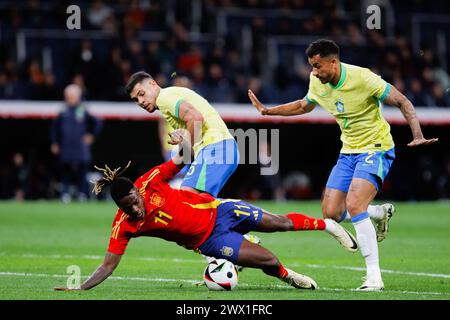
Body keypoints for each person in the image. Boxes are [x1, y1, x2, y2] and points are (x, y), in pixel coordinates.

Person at [54, 130, 358, 291]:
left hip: (219, 209)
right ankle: (288, 277)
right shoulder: (124, 226)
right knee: (268, 260)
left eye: (134, 200)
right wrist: (82, 287)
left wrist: (182, 141)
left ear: (136, 189)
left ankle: (330, 227)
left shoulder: (149, 181)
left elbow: (183, 157)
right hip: (209, 241)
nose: (134, 208)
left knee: (278, 223)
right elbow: (108, 265)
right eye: (127, 207)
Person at [248, 39, 438, 291]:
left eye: (317, 66)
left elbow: (402, 101)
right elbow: (305, 105)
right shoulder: (317, 81)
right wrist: (268, 111)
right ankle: (379, 213)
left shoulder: (364, 78)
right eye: (311, 67)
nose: (314, 72)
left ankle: (373, 277)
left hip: (376, 148)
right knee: (331, 213)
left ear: (333, 62)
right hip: (348, 152)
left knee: (355, 204)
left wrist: (417, 134)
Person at [125, 71, 238, 198]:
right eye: (136, 99)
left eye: (142, 94)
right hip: (219, 147)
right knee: (198, 204)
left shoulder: (163, 98)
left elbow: (196, 118)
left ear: (153, 84)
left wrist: (186, 146)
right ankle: (246, 214)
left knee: (187, 200)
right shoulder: (170, 95)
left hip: (215, 148)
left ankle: (248, 215)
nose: (141, 101)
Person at [50, 84, 102, 202]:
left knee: (82, 171)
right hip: (66, 146)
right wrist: (54, 142)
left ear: (78, 96)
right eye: (68, 96)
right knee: (65, 171)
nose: (70, 98)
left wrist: (91, 135)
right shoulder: (62, 111)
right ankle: (65, 194)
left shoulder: (83, 109)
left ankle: (82, 194)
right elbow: (54, 128)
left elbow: (97, 122)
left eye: (72, 96)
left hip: (80, 147)